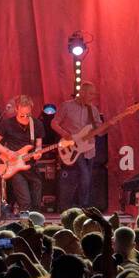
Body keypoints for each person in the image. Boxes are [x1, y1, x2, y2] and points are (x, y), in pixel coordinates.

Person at [53, 82, 105, 210]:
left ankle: (81, 205)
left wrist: (109, 125)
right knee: (85, 175)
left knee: (87, 176)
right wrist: (65, 134)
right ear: (82, 92)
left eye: (94, 94)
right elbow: (54, 123)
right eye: (90, 93)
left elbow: (100, 130)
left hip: (89, 147)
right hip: (72, 147)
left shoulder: (93, 110)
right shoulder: (67, 106)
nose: (93, 96)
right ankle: (83, 205)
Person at [0, 95, 44, 213]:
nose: (25, 118)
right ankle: (26, 226)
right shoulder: (7, 124)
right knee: (25, 201)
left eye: (28, 114)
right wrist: (8, 152)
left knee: (36, 202)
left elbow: (39, 145)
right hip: (14, 166)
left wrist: (38, 152)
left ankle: (36, 226)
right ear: (16, 109)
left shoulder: (37, 124)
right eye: (22, 115)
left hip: (31, 166)